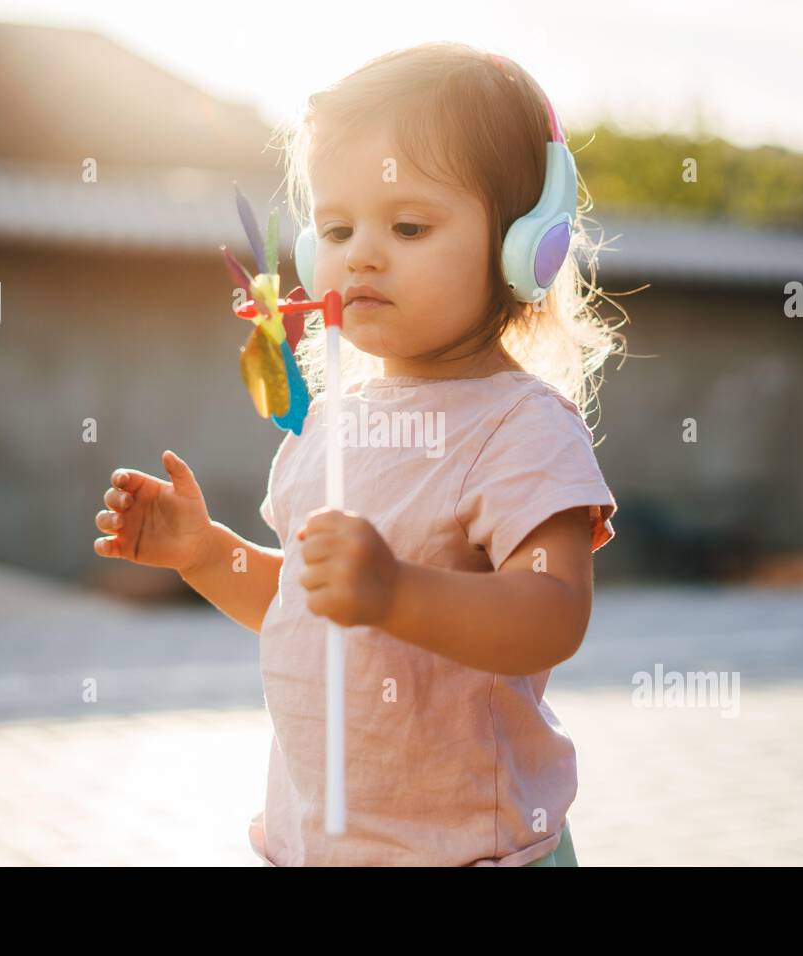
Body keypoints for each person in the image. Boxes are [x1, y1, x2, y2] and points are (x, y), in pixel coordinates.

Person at [94, 42, 631, 866]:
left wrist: (398, 591)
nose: (362, 254)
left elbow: (552, 613)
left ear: (526, 244)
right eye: (337, 228)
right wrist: (206, 553)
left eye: (409, 225)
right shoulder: (327, 423)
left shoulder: (520, 427)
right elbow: (308, 602)